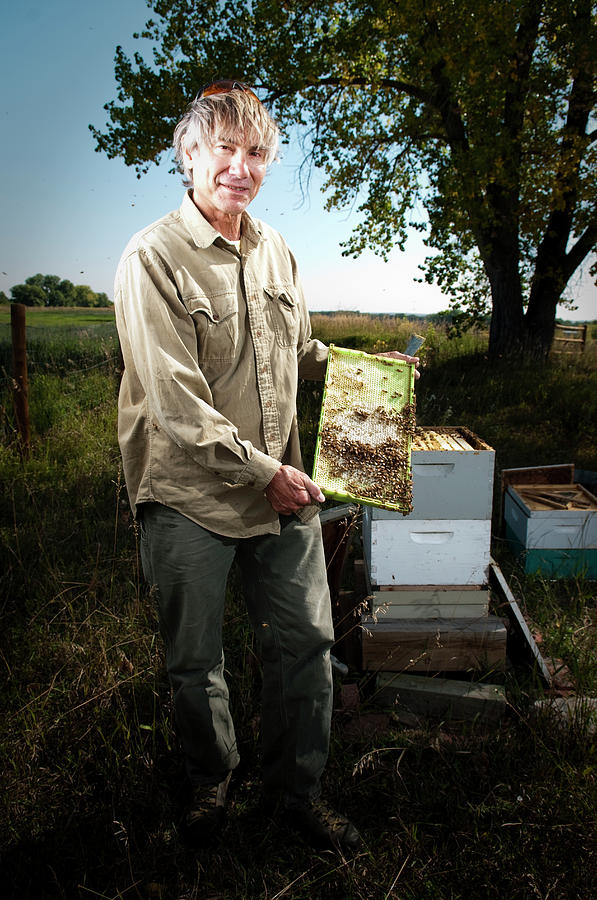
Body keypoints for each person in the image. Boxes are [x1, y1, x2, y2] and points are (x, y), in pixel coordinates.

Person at [114, 80, 418, 853]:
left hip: (282, 490)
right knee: (196, 662)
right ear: (188, 155)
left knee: (307, 646)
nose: (240, 167)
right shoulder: (152, 257)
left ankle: (295, 794)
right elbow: (176, 405)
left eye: (256, 154)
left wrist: (358, 368)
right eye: (225, 149)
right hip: (188, 494)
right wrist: (263, 472)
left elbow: (296, 350)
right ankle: (208, 792)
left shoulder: (275, 247)